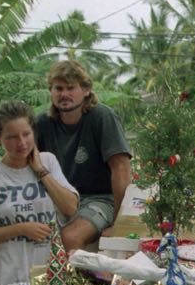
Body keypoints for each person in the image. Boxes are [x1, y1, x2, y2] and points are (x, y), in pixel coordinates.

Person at [0, 100, 80, 285]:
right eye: (12, 137)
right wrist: (21, 229)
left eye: (26, 134)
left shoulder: (48, 162)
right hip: (7, 283)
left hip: (50, 280)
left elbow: (70, 207)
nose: (21, 143)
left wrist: (40, 171)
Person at [33, 60, 133, 252]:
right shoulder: (42, 123)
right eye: (58, 88)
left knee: (70, 237)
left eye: (71, 88)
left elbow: (121, 168)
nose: (64, 94)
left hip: (100, 200)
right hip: (60, 200)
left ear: (86, 90)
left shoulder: (102, 117)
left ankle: (76, 283)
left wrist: (118, 223)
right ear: (51, 91)